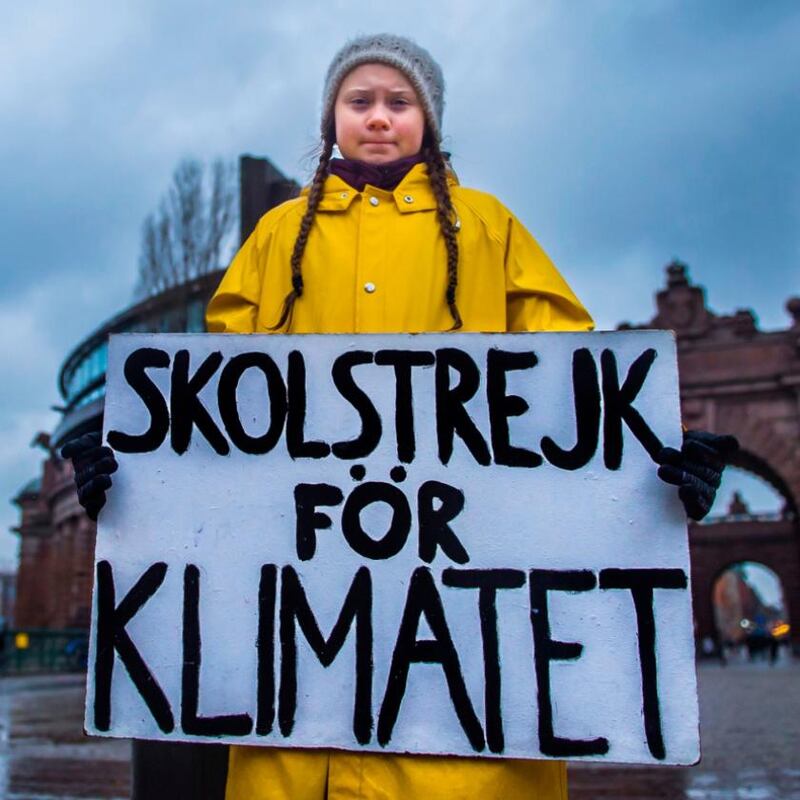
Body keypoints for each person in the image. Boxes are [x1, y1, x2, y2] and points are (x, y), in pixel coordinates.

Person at [62, 34, 738, 800]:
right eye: (360, 101)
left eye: (399, 101)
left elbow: (567, 395)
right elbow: (220, 417)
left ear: (430, 119)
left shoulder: (492, 229)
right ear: (331, 119)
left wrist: (650, 462)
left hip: (470, 738)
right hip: (296, 726)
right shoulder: (277, 239)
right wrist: (142, 477)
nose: (378, 118)